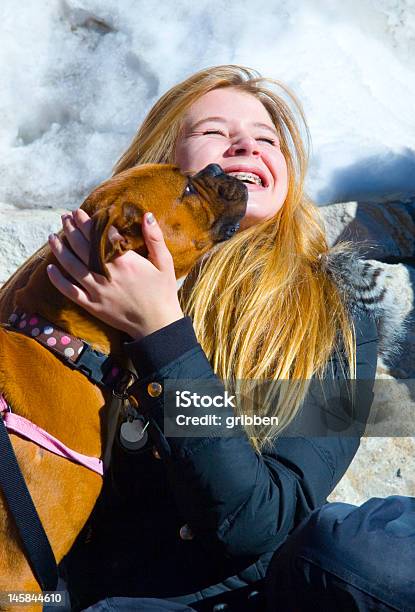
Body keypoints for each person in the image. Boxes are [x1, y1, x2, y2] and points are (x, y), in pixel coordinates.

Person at [8, 65, 415, 611]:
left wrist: (162, 336)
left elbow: (257, 521)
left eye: (267, 139)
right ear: (159, 163)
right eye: (215, 133)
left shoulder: (339, 318)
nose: (246, 144)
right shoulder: (65, 288)